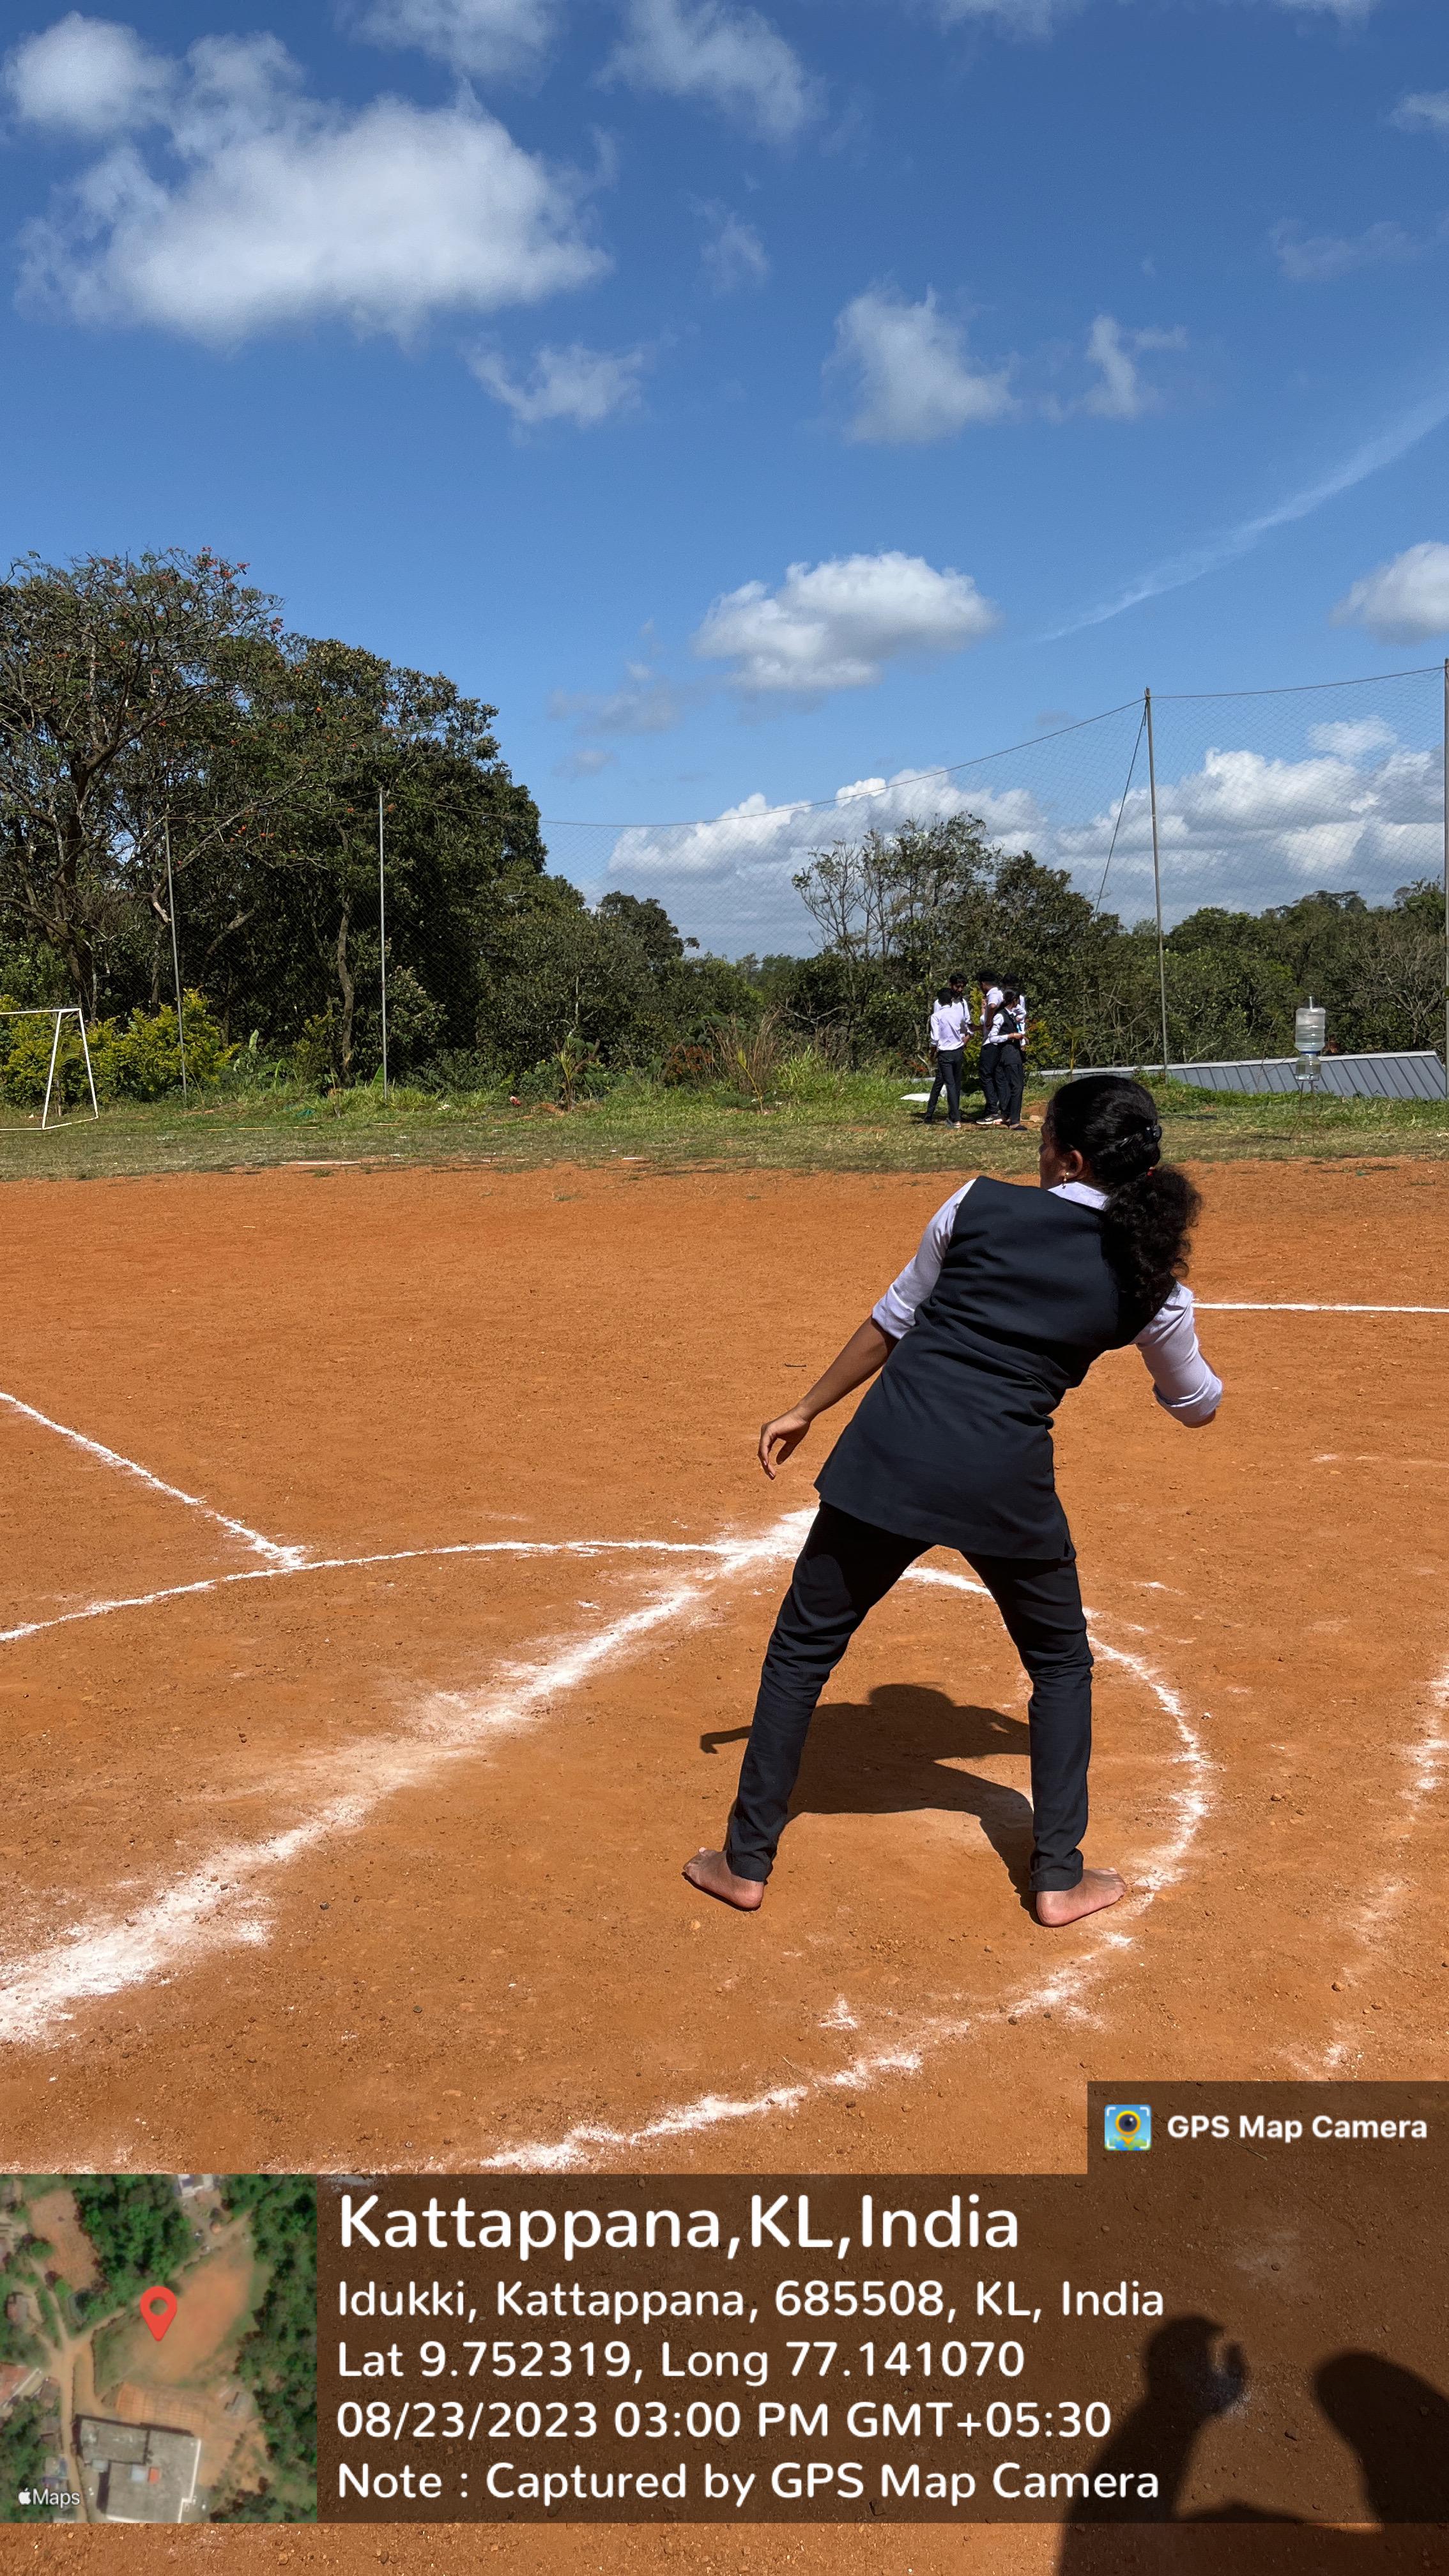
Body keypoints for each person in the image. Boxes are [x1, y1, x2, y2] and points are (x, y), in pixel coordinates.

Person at [684, 1075, 1222, 1928]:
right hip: (1003, 1484)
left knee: (801, 1653)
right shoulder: (1152, 1279)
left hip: (887, 1458)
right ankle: (1058, 1878)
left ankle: (744, 1863)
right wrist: (1181, 1362)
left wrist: (805, 1409)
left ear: (1070, 1159)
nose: (1036, 1150)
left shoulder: (974, 1204)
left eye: (1045, 1138)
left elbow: (893, 1320)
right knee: (1058, 1666)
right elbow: (1195, 1404)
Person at [923, 977, 971, 1128]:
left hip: (946, 1052)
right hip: (957, 1050)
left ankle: (954, 1117)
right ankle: (936, 1113)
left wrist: (933, 1054)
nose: (960, 990)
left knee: (950, 1084)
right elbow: (965, 1027)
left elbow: (935, 1037)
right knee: (949, 1083)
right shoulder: (953, 1012)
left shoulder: (944, 1013)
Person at [995, 986, 1027, 1130]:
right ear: (1014, 1000)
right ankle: (1014, 1121)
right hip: (1009, 1053)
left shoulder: (1011, 1015)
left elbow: (1022, 1013)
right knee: (1017, 1086)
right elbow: (993, 1036)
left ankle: (1008, 1115)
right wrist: (1011, 1036)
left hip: (1014, 1052)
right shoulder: (1001, 1016)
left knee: (1015, 1085)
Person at [976, 971, 1006, 1123]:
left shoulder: (993, 994)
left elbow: (993, 1006)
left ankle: (993, 1109)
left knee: (986, 1074)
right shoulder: (998, 994)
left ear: (983, 984)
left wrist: (989, 1020)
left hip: (991, 1042)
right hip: (992, 1040)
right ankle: (995, 1107)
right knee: (995, 1074)